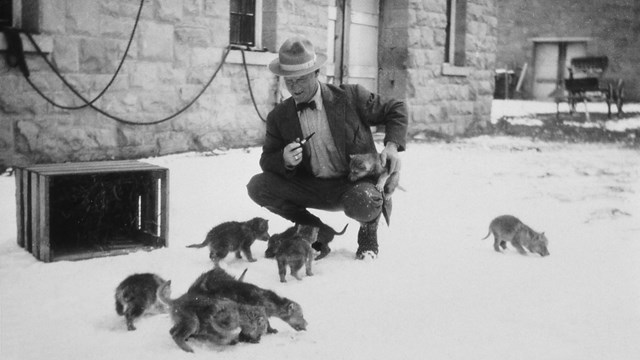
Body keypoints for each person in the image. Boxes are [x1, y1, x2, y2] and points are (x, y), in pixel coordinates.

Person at [246, 36, 407, 260]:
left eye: (300, 78)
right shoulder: (279, 117)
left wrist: (391, 146)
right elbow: (266, 161)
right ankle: (314, 230)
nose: (293, 86)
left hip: (351, 185)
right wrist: (284, 159)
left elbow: (396, 109)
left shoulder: (351, 97)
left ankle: (368, 235)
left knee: (367, 199)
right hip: (310, 186)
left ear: (315, 73)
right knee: (258, 186)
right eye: (288, 80)